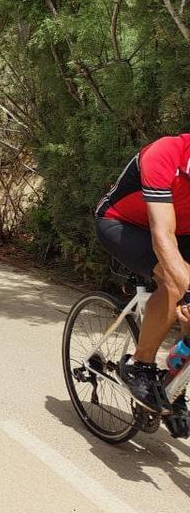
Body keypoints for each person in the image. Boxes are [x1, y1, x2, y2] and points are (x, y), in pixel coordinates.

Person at [96, 133, 190, 423]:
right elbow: (161, 234)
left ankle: (176, 376)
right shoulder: (165, 153)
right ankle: (141, 365)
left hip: (183, 231)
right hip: (124, 224)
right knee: (176, 283)